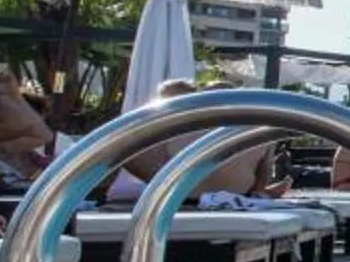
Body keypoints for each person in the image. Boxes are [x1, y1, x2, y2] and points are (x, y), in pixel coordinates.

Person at [109, 80, 288, 202]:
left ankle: (165, 183)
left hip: (181, 195)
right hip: (237, 195)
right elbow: (263, 173)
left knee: (131, 152)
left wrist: (157, 178)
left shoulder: (179, 126)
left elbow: (123, 151)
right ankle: (260, 194)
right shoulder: (258, 130)